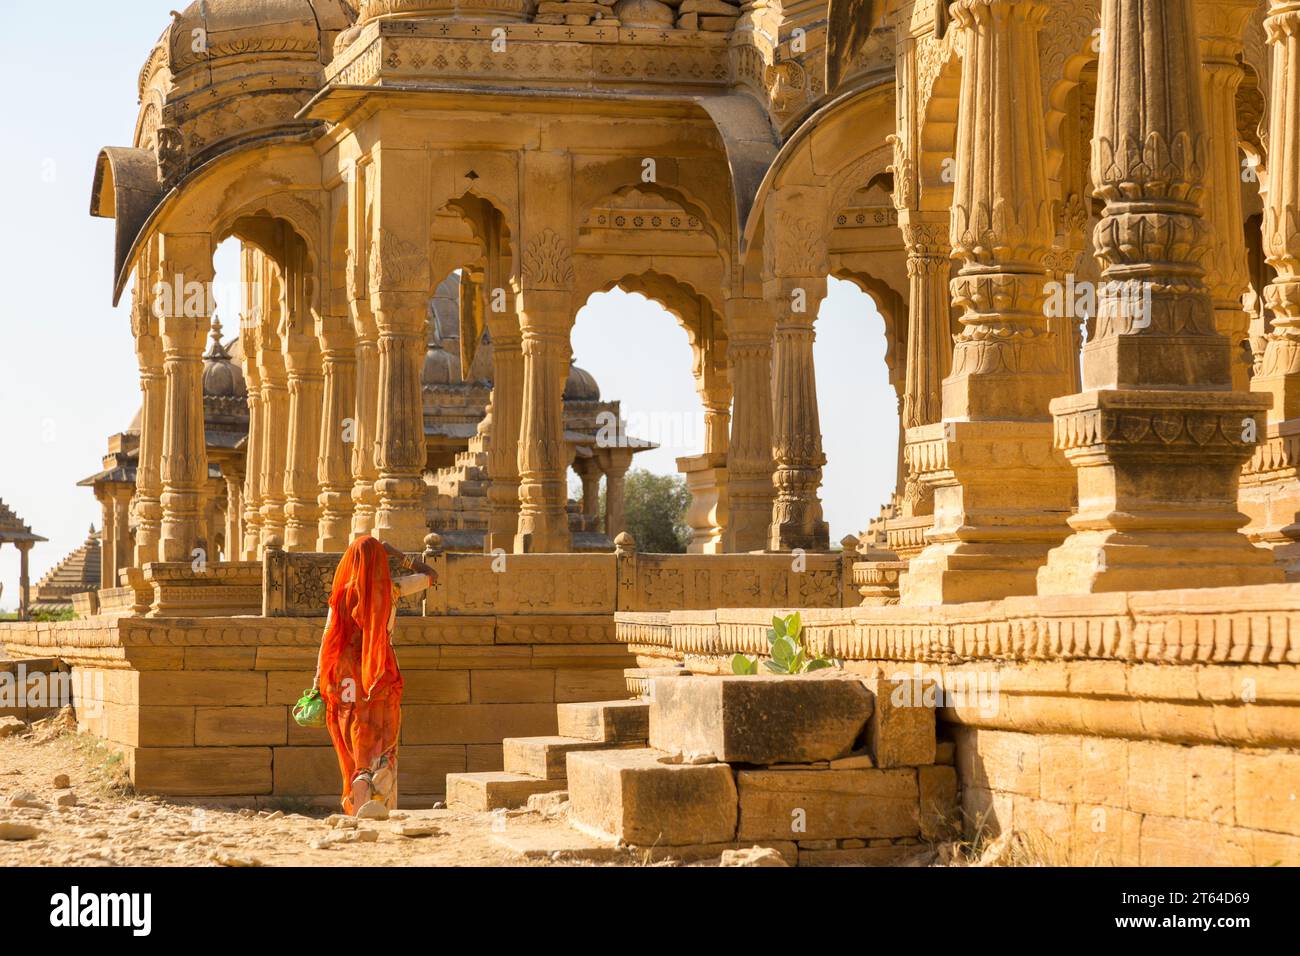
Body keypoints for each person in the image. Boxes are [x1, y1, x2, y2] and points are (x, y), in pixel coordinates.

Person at [312, 535, 436, 815]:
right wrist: (399, 554)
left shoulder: (341, 594)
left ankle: (357, 781)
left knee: (351, 723)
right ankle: (374, 789)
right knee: (380, 727)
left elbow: (327, 638)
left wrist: (317, 679)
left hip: (343, 672)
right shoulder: (392, 589)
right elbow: (431, 575)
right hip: (379, 669)